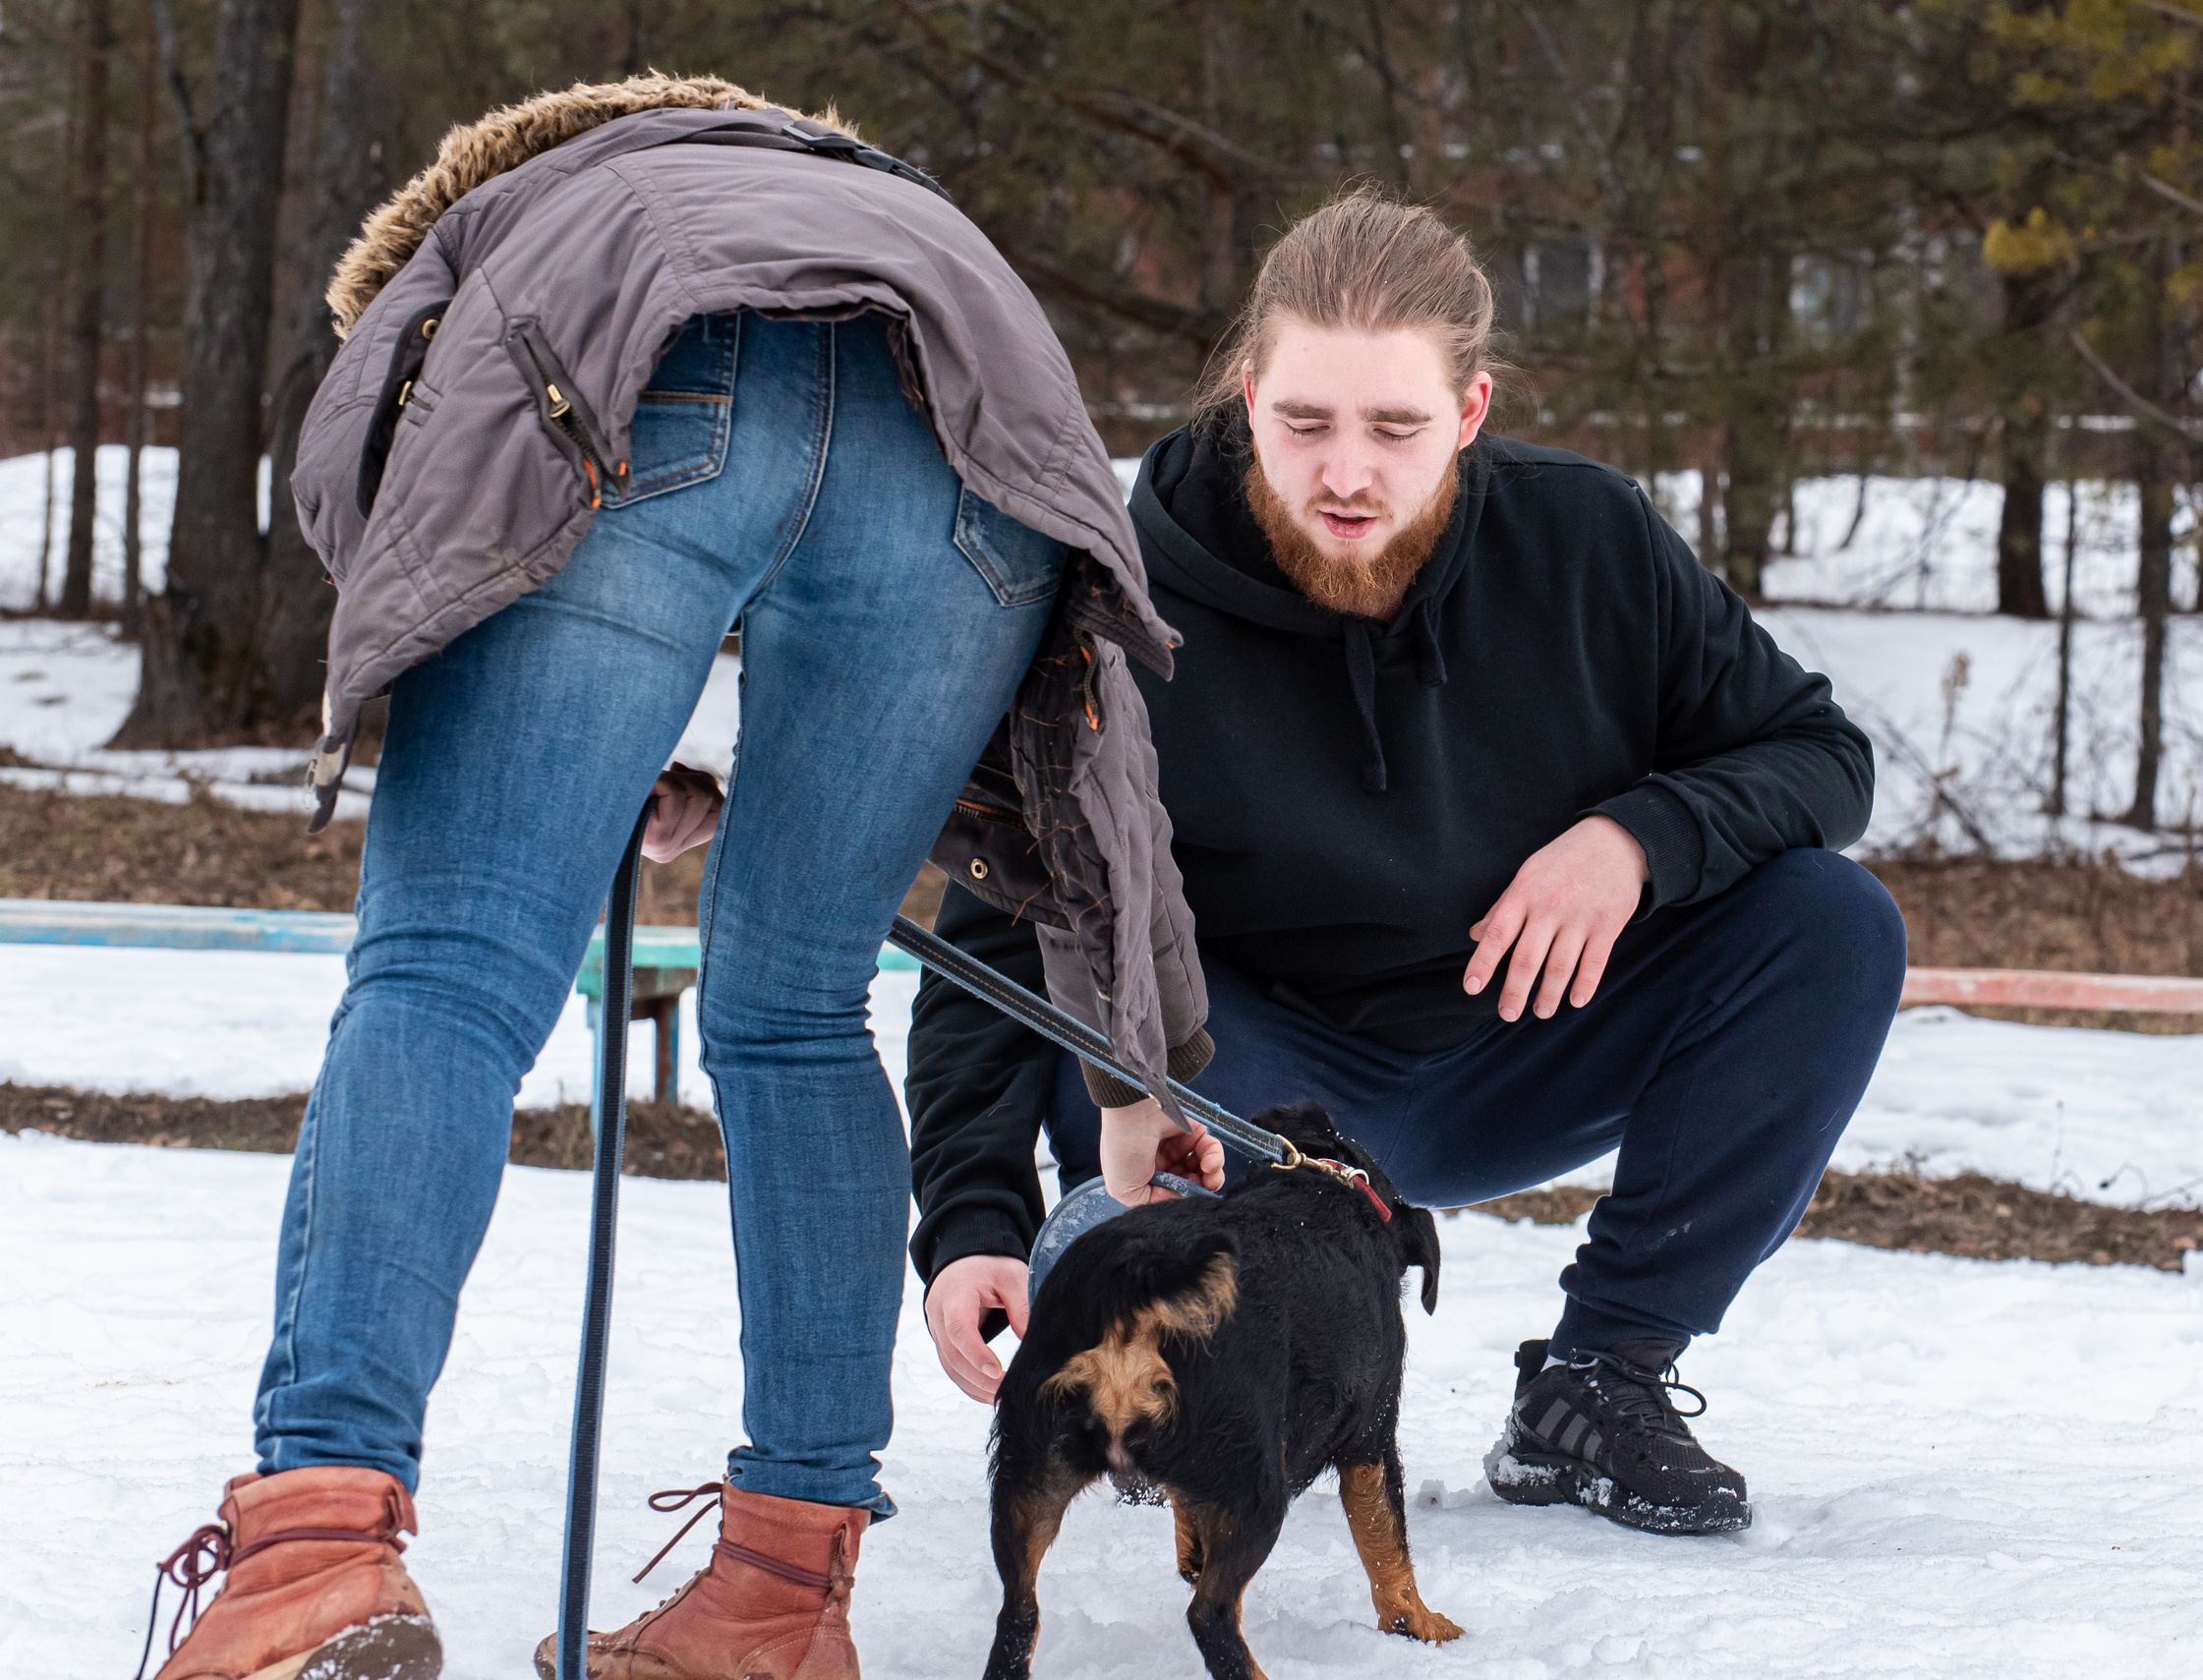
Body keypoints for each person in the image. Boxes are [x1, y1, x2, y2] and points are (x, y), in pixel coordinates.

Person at [134, 78, 1209, 1680]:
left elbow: (399, 504)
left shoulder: (489, 238)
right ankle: (782, 1592)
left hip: (666, 391)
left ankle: (316, 1546)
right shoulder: (857, 199)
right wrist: (1138, 1060)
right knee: (797, 1007)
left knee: (450, 966)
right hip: (977, 445)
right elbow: (858, 495)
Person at [907, 191, 1907, 1540]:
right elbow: (997, 925)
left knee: (1831, 922)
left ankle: (1600, 1380)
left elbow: (1820, 756)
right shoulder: (1115, 590)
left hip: (1514, 1041)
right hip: (1231, 1084)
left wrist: (1637, 839)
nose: (1347, 473)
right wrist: (970, 1216)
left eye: (1396, 427)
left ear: (1472, 411)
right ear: (1247, 397)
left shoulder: (1589, 542)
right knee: (1099, 996)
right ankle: (1158, 1348)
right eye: (1305, 422)